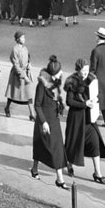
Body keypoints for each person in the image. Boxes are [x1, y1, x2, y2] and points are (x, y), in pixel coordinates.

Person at [64, 58, 105, 184]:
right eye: (83, 70)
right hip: (77, 120)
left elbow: (97, 93)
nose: (85, 73)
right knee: (74, 144)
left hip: (89, 120)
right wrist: (85, 104)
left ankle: (98, 173)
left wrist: (95, 100)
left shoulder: (91, 80)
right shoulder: (72, 82)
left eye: (87, 70)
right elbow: (69, 101)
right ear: (77, 70)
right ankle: (69, 164)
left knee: (95, 143)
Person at [31, 55, 69, 189]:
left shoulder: (58, 80)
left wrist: (61, 105)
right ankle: (56, 177)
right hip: (45, 120)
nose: (56, 77)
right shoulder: (41, 85)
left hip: (54, 119)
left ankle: (40, 171)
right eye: (53, 76)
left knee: (56, 147)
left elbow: (58, 98)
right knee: (45, 146)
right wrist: (43, 122)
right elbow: (37, 105)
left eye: (57, 75)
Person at [4, 31, 36, 121]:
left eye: (24, 37)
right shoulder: (15, 49)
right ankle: (7, 108)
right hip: (17, 75)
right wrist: (24, 76)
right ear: (17, 39)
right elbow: (16, 64)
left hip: (25, 72)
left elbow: (28, 58)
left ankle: (32, 114)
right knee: (12, 94)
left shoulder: (25, 48)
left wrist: (29, 64)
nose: (24, 39)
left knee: (29, 94)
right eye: (22, 37)